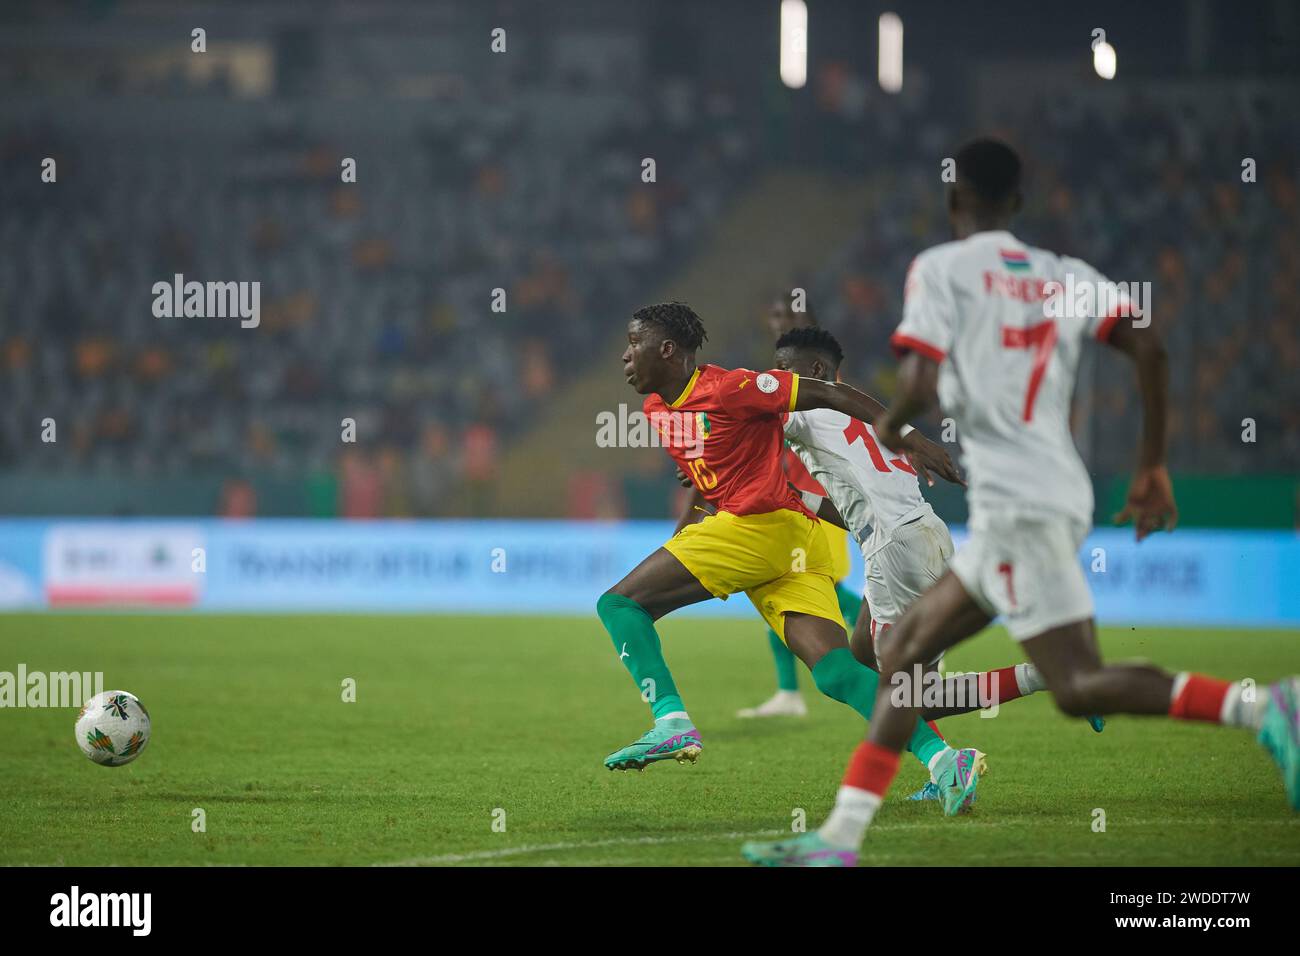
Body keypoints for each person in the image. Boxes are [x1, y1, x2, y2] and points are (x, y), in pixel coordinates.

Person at [742, 138, 1299, 867]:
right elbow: (1151, 350)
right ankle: (1262, 709)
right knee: (1057, 681)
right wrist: (1153, 465)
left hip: (1011, 504)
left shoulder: (941, 268)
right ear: (1019, 204)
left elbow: (916, 376)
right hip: (1059, 494)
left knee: (911, 669)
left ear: (953, 202)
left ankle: (839, 841)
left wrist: (893, 425)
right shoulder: (1062, 275)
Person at [597, 302, 978, 805]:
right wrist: (685, 532)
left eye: (633, 344)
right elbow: (707, 479)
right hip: (794, 538)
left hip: (759, 527)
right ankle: (946, 760)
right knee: (837, 672)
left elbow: (830, 392)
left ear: (666, 350)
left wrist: (910, 438)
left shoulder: (732, 387)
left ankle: (671, 720)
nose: (625, 356)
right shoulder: (657, 410)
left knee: (619, 605)